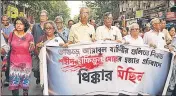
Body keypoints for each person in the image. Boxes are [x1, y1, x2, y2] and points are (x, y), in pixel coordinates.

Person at [8, 17, 34, 96]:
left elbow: (31, 50)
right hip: (14, 62)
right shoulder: (11, 34)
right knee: (14, 84)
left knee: (25, 84)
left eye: (21, 24)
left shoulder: (29, 36)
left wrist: (32, 46)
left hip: (26, 63)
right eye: (17, 23)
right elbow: (8, 47)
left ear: (25, 25)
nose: (18, 25)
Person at [31, 10, 48, 85]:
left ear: (47, 17)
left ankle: (43, 83)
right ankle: (38, 77)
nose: (42, 17)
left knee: (44, 69)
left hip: (46, 52)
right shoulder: (35, 26)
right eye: (41, 15)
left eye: (44, 16)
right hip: (36, 51)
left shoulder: (49, 26)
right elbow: (31, 36)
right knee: (35, 68)